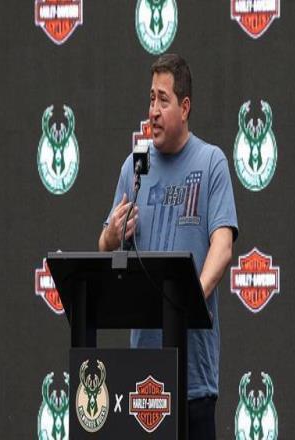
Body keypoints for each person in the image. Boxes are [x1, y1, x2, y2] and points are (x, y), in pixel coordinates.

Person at [98, 53, 238, 439]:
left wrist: (190, 299)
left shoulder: (211, 162)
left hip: (193, 374)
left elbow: (223, 246)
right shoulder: (136, 166)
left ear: (185, 107)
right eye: (150, 99)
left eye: (163, 100)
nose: (153, 111)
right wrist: (113, 234)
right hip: (145, 379)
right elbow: (105, 243)